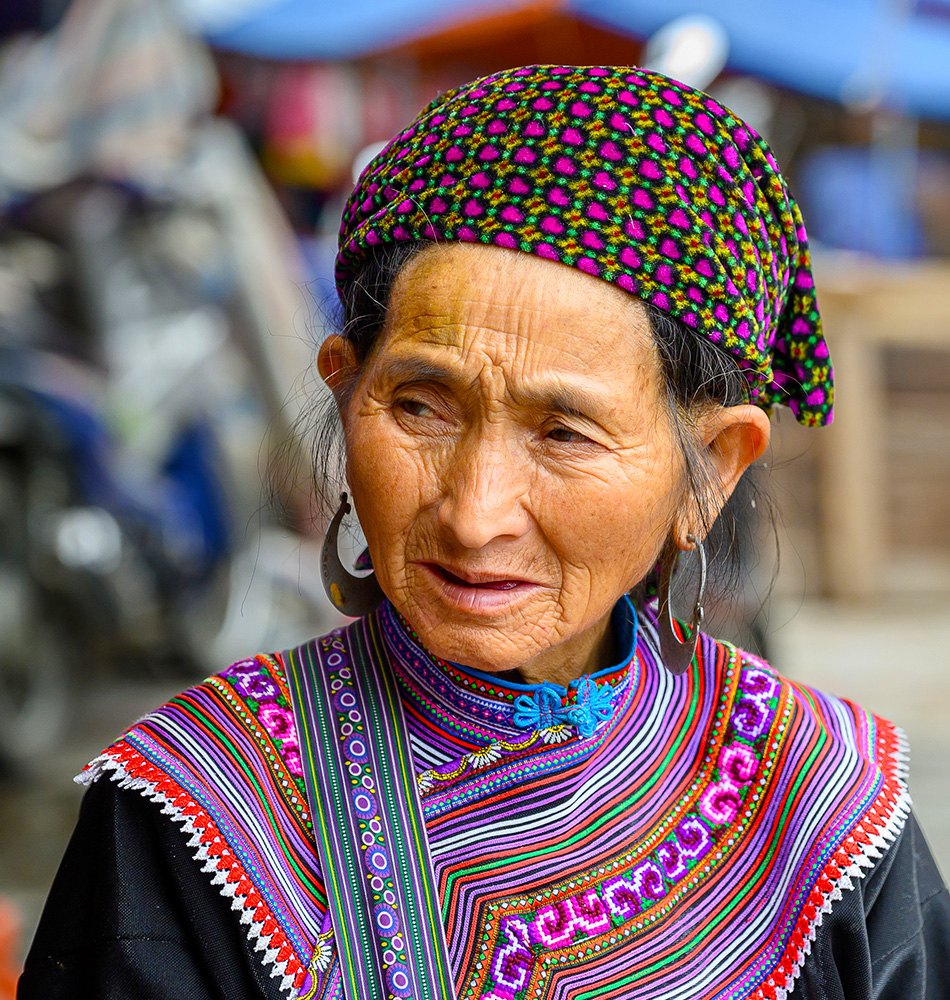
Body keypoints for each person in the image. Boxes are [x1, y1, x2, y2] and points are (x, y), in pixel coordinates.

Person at [19, 65, 949, 1000]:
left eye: (563, 433)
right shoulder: (203, 808)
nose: (474, 512)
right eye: (421, 407)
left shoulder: (820, 800)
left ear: (709, 469)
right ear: (344, 392)